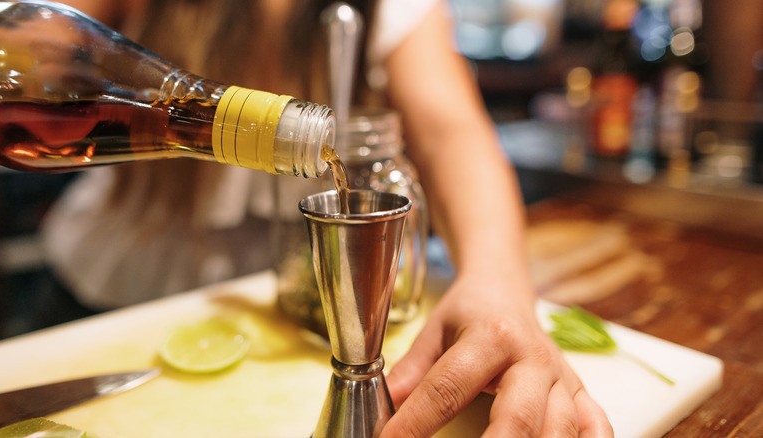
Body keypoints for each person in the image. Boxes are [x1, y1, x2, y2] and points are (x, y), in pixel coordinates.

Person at [43, 0, 613, 436]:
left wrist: (498, 283)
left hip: (289, 312)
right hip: (111, 290)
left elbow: (451, 132)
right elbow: (40, 43)